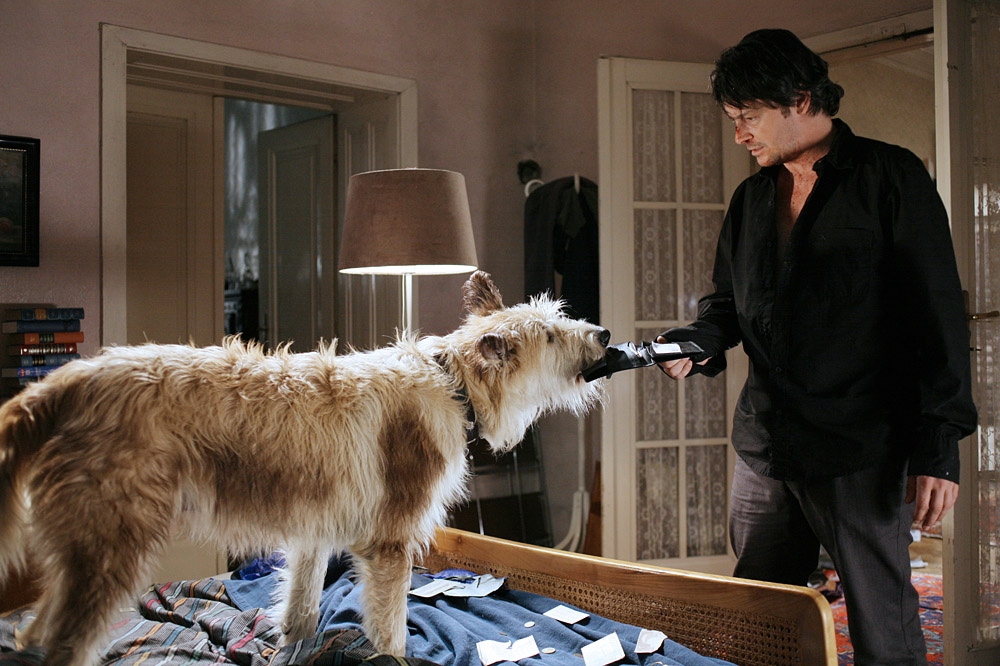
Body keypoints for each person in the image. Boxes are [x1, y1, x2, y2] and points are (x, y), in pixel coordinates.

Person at [657, 29, 977, 666]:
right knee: (763, 621)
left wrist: (939, 446)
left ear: (800, 99)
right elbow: (727, 306)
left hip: (859, 445)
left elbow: (936, 315)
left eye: (748, 116)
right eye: (734, 118)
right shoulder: (751, 198)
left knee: (882, 626)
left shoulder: (891, 176)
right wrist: (694, 343)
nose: (740, 134)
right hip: (766, 442)